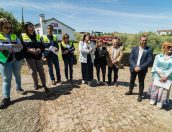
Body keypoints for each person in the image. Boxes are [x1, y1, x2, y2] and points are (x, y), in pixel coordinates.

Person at [0, 18, 24, 109]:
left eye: (10, 27)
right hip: (5, 60)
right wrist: (10, 46)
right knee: (7, 78)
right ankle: (6, 98)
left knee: (17, 74)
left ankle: (19, 88)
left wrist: (6, 47)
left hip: (16, 59)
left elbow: (21, 46)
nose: (9, 29)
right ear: (1, 26)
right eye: (6, 27)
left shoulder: (14, 35)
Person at [20, 22, 49, 92]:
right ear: (26, 28)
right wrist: (28, 50)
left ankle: (44, 85)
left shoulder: (38, 36)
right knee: (33, 72)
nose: (32, 28)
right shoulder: (22, 36)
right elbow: (21, 47)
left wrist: (40, 49)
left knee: (41, 71)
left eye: (33, 26)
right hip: (29, 57)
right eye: (30, 26)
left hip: (38, 57)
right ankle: (36, 84)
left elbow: (42, 46)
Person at [125, 35, 153, 102]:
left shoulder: (149, 50)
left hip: (142, 69)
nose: (144, 41)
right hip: (133, 68)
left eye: (145, 40)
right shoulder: (134, 48)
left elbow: (149, 60)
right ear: (139, 41)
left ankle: (140, 95)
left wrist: (140, 67)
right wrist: (135, 66)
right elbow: (131, 58)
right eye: (143, 40)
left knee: (141, 82)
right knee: (132, 80)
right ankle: (130, 91)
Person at [148, 42, 172, 109]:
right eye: (168, 47)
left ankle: (160, 102)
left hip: (168, 77)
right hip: (158, 75)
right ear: (164, 48)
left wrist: (165, 76)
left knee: (164, 90)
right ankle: (153, 99)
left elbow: (171, 68)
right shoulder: (158, 56)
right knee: (155, 88)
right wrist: (161, 75)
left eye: (171, 47)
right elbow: (155, 65)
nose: (171, 48)